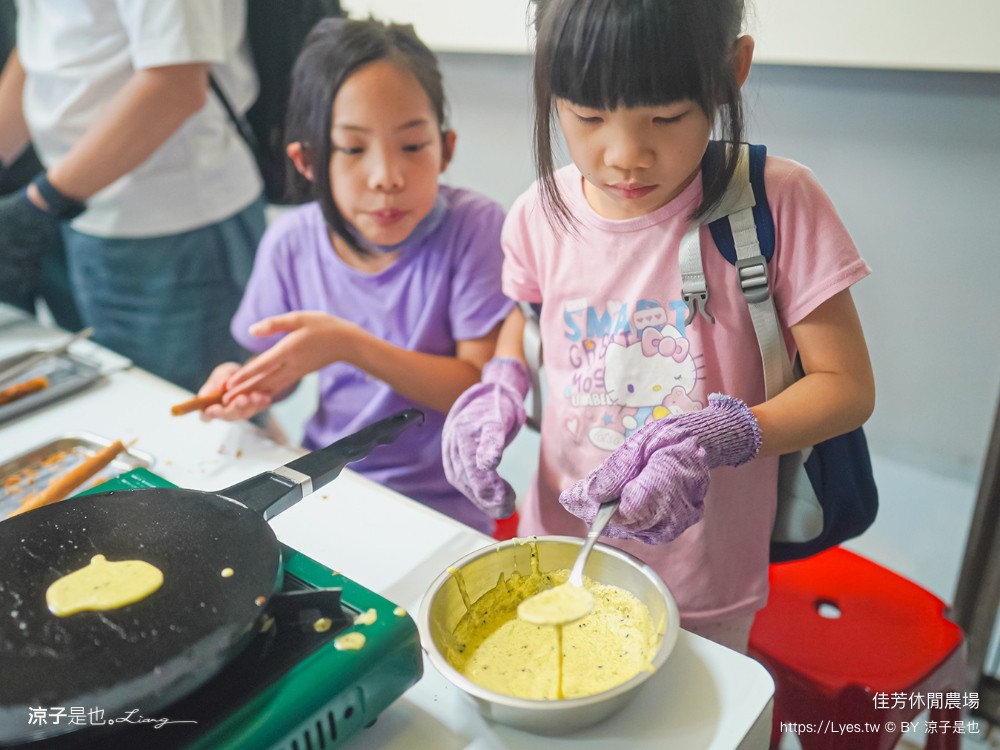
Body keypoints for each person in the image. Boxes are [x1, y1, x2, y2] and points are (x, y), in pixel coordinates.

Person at [442, 0, 875, 652]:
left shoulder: (779, 202)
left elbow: (847, 387)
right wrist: (501, 382)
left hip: (700, 579)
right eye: (588, 117)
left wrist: (722, 434)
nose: (626, 157)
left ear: (732, 70)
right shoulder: (537, 213)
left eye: (666, 117)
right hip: (559, 544)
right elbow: (524, 315)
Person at [198, 18, 513, 536]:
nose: (386, 177)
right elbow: (281, 372)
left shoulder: (473, 227)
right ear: (307, 160)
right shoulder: (291, 242)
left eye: (413, 146)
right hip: (324, 482)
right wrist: (248, 385)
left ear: (446, 149)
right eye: (352, 149)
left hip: (447, 499)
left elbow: (476, 387)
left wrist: (348, 345)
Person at [0, 0, 265, 393]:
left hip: (174, 225)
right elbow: (47, 35)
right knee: (123, 400)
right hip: (86, 207)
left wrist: (43, 201)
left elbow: (175, 84)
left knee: (200, 411)